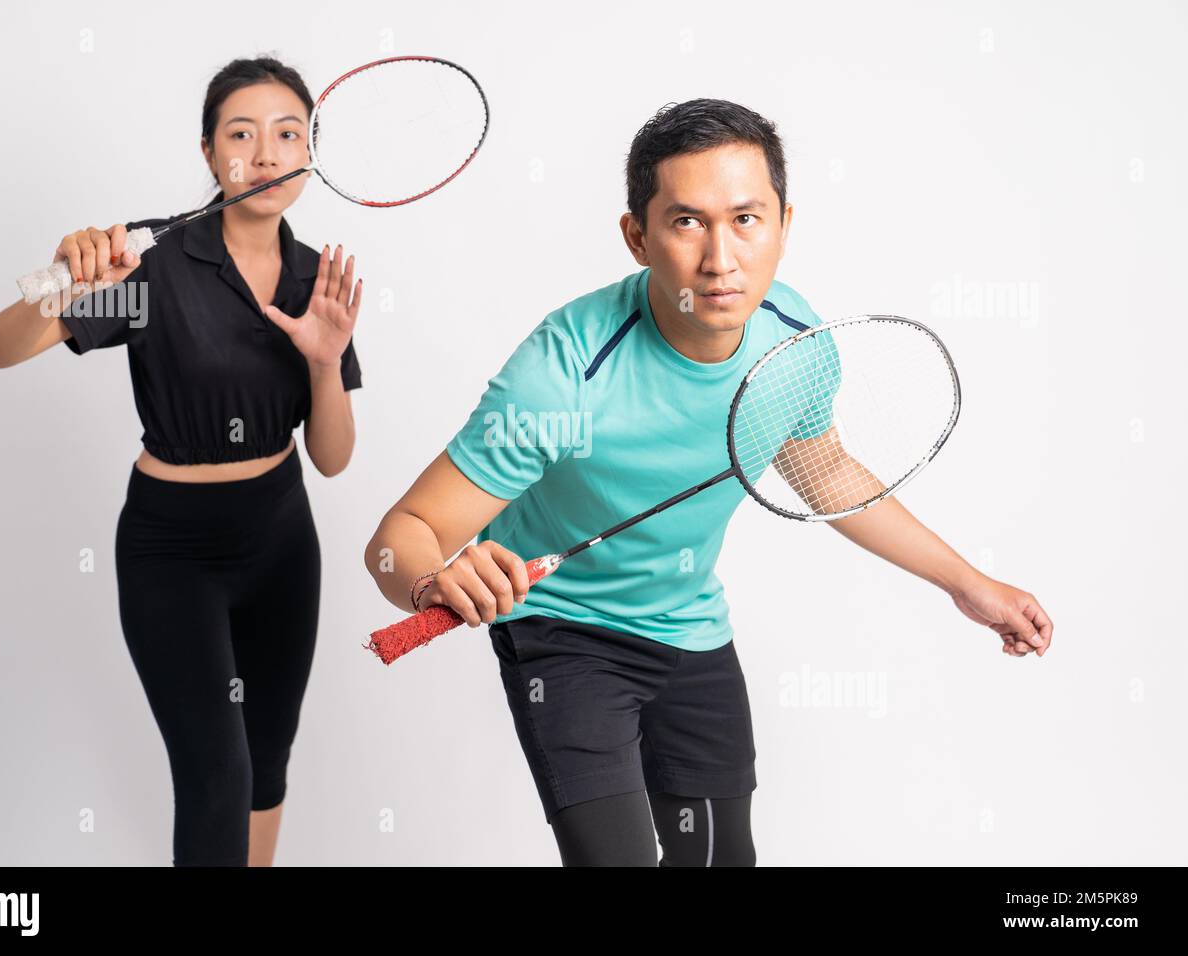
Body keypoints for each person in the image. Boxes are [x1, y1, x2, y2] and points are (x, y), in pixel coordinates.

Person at [364, 99, 1054, 867]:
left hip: (690, 630)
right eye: (688, 222)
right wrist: (432, 580)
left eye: (747, 219)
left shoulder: (796, 342)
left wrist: (968, 584)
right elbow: (399, 539)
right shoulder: (564, 373)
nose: (721, 258)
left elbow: (822, 470)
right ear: (637, 236)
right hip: (565, 633)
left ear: (784, 225)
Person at [0, 56, 364, 866]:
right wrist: (68, 281)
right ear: (208, 153)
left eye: (287, 134)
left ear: (310, 153)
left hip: (282, 539)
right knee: (216, 777)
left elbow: (332, 460)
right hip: (172, 549)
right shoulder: (151, 265)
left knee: (265, 763)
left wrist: (326, 362)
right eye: (242, 134)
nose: (266, 154)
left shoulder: (311, 278)